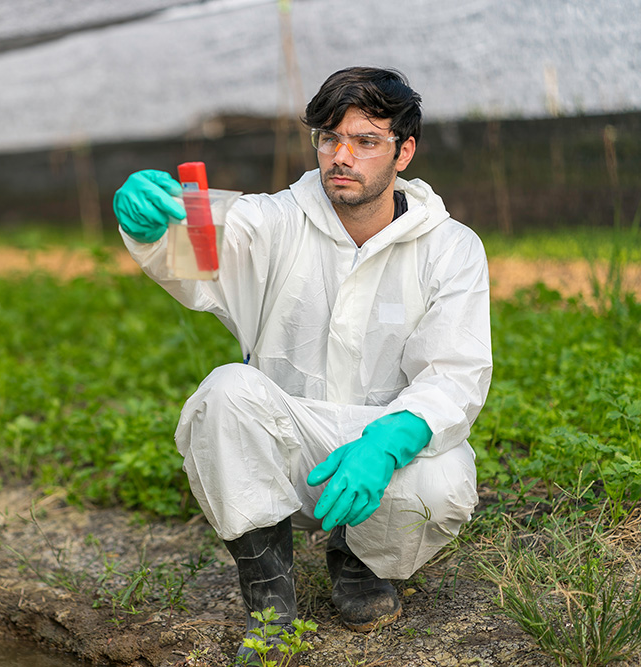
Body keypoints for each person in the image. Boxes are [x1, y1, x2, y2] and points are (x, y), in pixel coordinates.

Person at [112, 67, 492, 662]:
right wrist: (150, 225)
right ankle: (270, 600)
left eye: (366, 141)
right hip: (289, 444)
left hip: (382, 451)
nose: (342, 156)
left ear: (404, 152)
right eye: (329, 138)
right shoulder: (274, 220)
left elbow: (455, 373)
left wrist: (390, 441)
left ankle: (360, 561)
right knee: (225, 392)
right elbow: (198, 248)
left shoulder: (451, 248)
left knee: (442, 485)